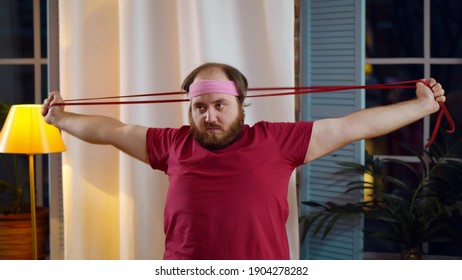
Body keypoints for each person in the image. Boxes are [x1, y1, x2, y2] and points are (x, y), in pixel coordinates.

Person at [41, 62, 446, 260]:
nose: (209, 115)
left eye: (219, 105)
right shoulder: (172, 145)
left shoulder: (277, 140)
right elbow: (111, 131)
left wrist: (420, 107)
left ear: (241, 104)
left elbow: (352, 126)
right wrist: (59, 118)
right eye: (199, 107)